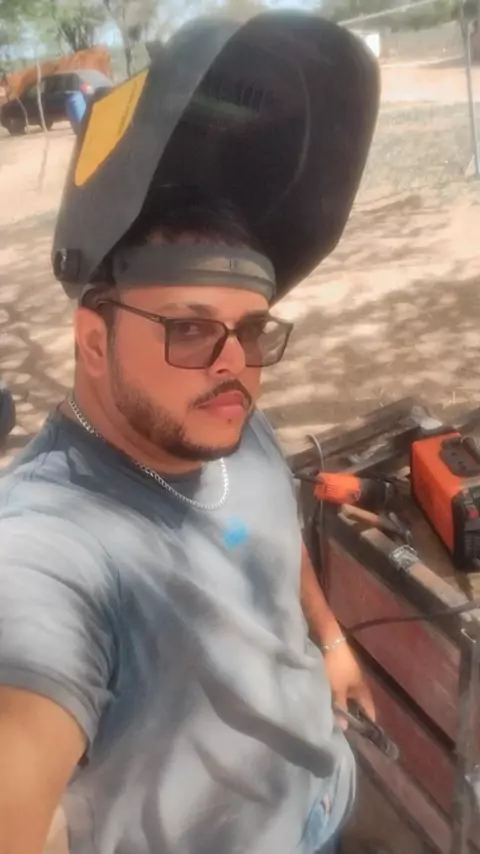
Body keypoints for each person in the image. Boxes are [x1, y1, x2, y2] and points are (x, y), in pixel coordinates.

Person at [0, 12, 379, 854]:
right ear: (92, 342)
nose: (234, 364)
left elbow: (270, 532)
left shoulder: (233, 425)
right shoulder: (45, 550)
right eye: (191, 328)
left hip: (323, 800)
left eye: (252, 330)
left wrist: (330, 640)